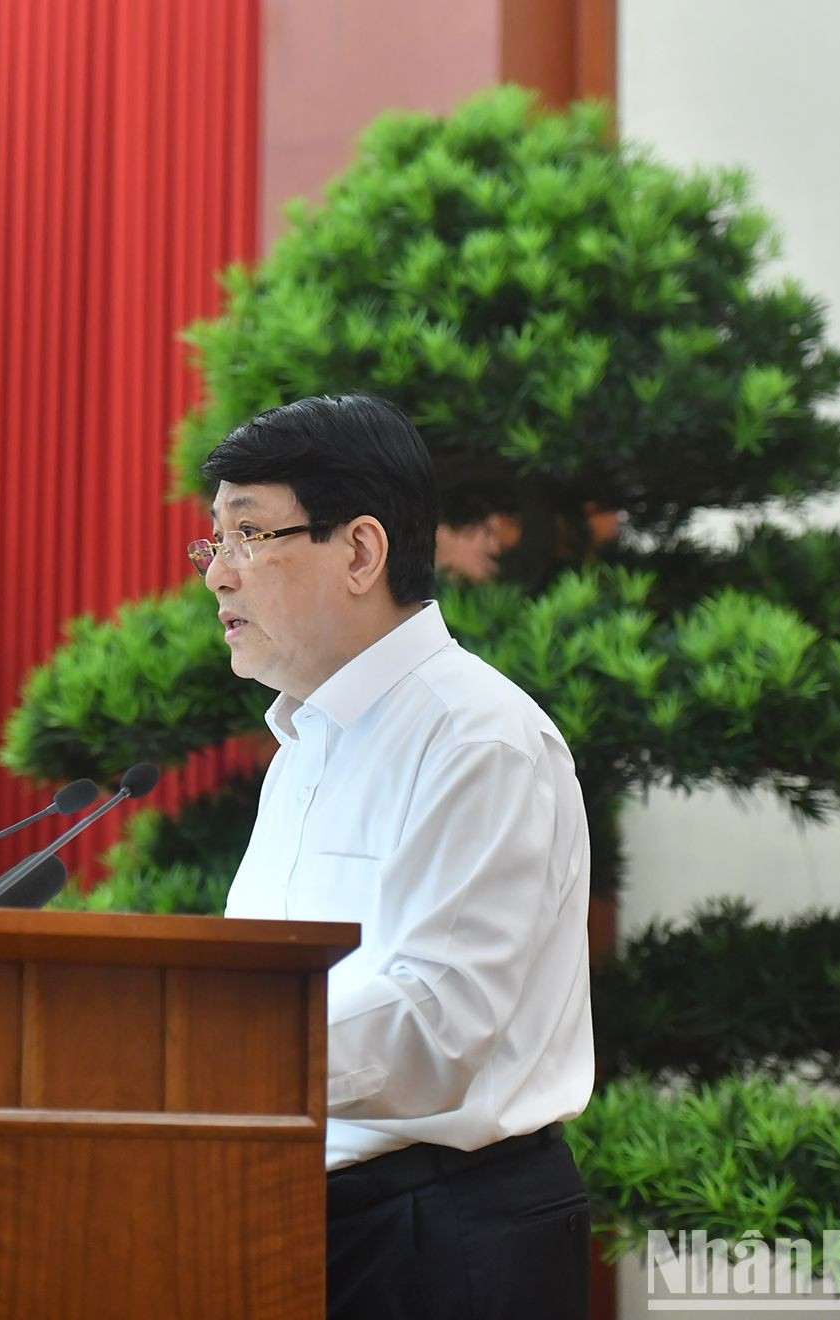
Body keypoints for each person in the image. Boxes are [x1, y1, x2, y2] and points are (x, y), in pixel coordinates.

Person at [195, 394, 594, 1317]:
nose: (218, 575)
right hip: (306, 1215)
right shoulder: (305, 744)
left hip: (446, 1234)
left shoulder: (476, 739)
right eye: (212, 542)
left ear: (362, 552)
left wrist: (207, 1045)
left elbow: (437, 1024)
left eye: (249, 535)